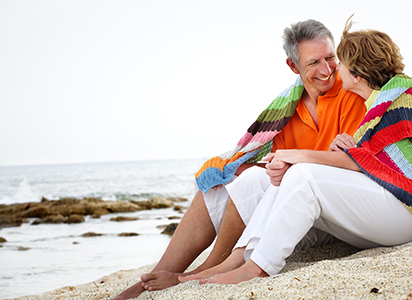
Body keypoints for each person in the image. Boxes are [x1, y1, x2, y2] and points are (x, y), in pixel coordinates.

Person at [188, 16, 412, 285]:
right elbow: (368, 159)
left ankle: (257, 268)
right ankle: (239, 258)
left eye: (340, 63)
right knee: (286, 177)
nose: (334, 70)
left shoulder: (401, 103)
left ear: (358, 74)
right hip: (392, 208)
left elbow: (375, 166)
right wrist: (348, 151)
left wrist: (300, 155)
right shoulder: (377, 105)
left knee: (304, 176)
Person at [112, 20, 366, 299]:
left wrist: (264, 169)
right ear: (293, 67)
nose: (326, 69)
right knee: (218, 184)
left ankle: (210, 267)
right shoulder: (286, 107)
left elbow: (349, 165)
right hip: (289, 198)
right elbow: (274, 163)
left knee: (252, 178)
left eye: (330, 58)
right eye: (313, 62)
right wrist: (233, 166)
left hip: (324, 208)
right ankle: (158, 274)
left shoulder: (351, 92)